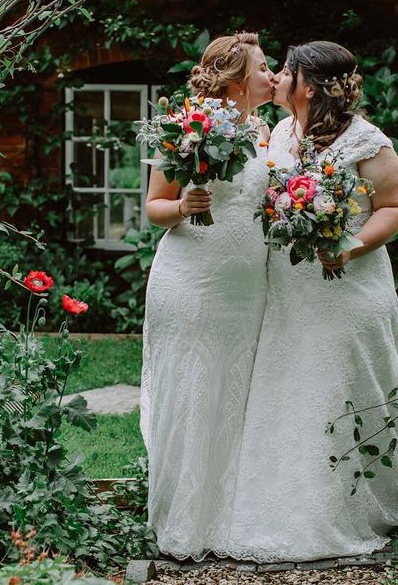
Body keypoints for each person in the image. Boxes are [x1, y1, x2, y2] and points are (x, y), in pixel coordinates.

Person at [226, 41, 398, 562]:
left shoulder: (366, 141)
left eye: (286, 71)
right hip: (290, 291)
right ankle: (278, 499)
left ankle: (351, 501)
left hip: (347, 289)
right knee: (289, 388)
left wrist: (348, 244)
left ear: (309, 85)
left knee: (337, 386)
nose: (276, 76)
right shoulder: (279, 132)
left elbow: (397, 207)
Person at [140, 32, 275, 560]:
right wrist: (183, 205)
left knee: (236, 393)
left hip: (248, 285)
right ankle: (186, 518)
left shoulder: (266, 131)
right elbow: (154, 205)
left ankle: (232, 513)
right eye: (264, 68)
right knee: (195, 389)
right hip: (193, 278)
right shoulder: (183, 129)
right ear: (239, 79)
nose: (273, 76)